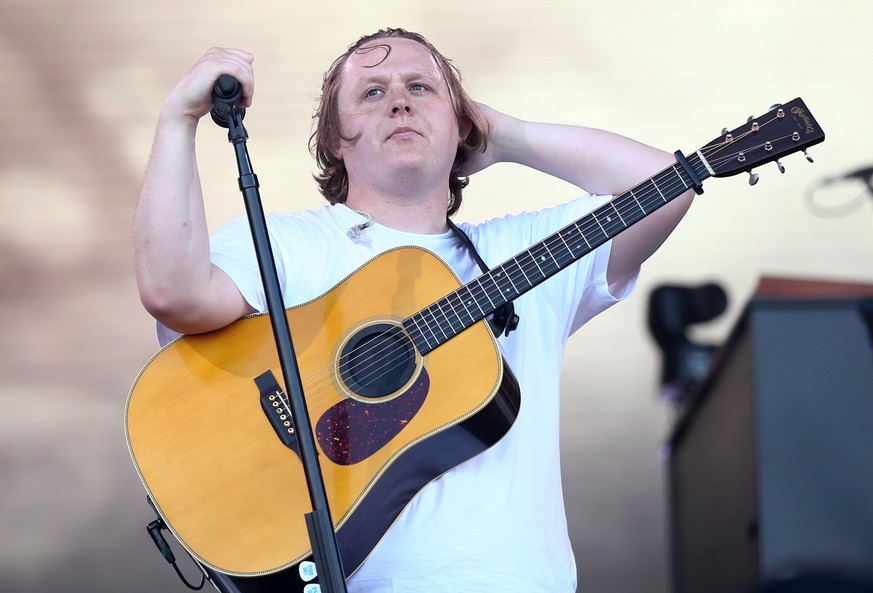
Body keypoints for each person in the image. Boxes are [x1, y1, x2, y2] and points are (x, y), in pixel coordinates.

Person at [134, 27, 694, 592]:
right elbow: (173, 292)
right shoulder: (288, 244)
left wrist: (505, 136)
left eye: (422, 88)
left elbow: (670, 187)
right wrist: (178, 119)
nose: (399, 99)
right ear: (334, 138)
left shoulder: (517, 254)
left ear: (461, 126)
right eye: (372, 93)